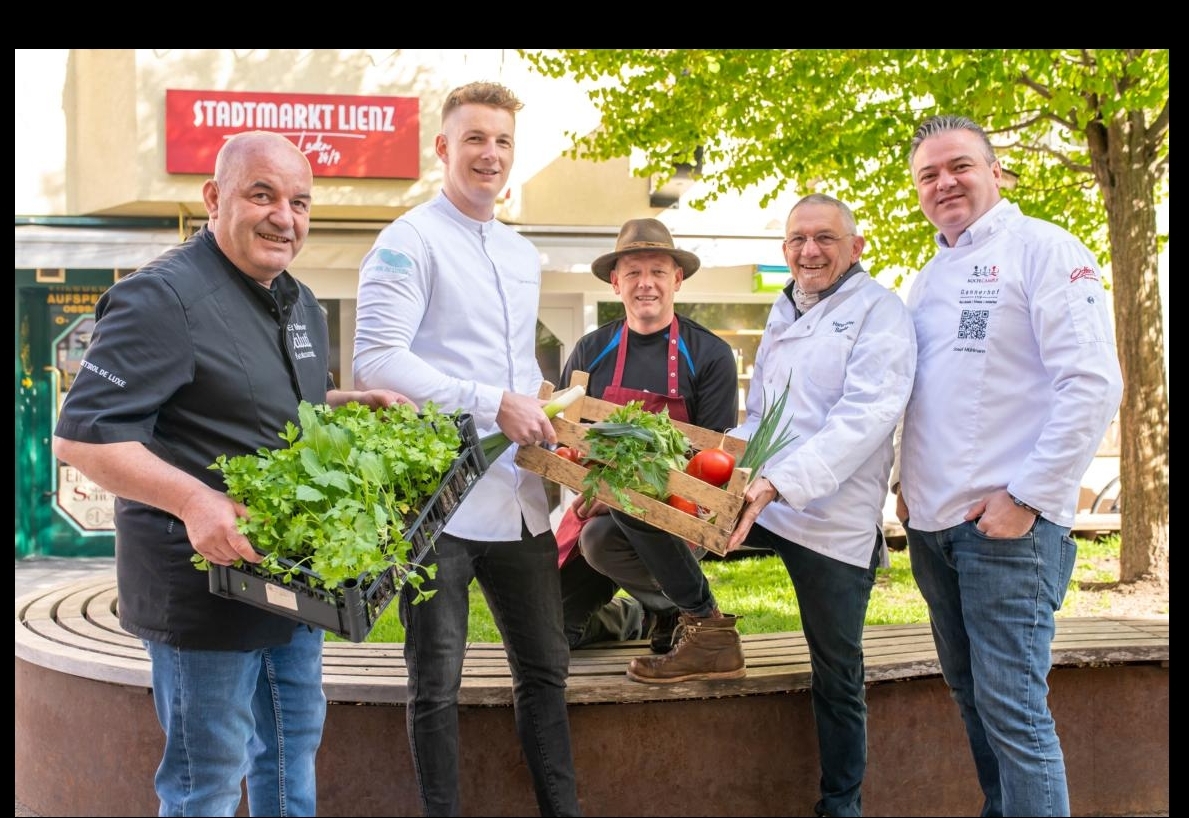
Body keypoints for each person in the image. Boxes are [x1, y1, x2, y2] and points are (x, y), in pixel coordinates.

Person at [51, 130, 414, 816]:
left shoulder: (299, 300)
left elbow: (272, 404)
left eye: (299, 202)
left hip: (295, 582)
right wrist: (194, 501)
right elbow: (85, 437)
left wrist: (346, 403)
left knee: (291, 754)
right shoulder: (161, 298)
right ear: (214, 199)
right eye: (262, 195)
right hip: (203, 595)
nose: (285, 217)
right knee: (207, 781)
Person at [352, 81, 582, 817]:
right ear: (443, 148)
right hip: (439, 502)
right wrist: (492, 401)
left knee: (546, 672)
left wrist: (539, 399)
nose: (490, 153)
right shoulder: (407, 241)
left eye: (503, 141)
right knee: (435, 683)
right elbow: (377, 360)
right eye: (475, 138)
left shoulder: (521, 252)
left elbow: (509, 363)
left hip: (521, 500)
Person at [896, 114, 1124, 817]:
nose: (944, 183)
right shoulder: (926, 278)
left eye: (959, 166)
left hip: (1005, 533)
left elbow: (1091, 383)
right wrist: (905, 483)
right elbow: (929, 392)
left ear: (997, 173)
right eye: (928, 175)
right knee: (973, 702)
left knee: (1014, 714)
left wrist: (1025, 497)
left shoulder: (1046, 250)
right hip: (934, 529)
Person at [725, 193, 917, 817]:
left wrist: (777, 482)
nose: (809, 251)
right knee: (634, 529)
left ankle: (841, 803)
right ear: (784, 250)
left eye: (825, 238)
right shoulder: (784, 307)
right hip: (765, 499)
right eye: (797, 240)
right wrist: (726, 467)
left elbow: (863, 419)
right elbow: (763, 415)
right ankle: (699, 624)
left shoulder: (881, 312)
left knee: (837, 672)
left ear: (855, 247)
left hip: (832, 520)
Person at [562, 217, 743, 682]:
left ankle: (689, 611)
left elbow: (711, 466)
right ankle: (644, 614)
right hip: (596, 507)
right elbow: (570, 443)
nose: (646, 283)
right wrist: (597, 488)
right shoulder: (590, 351)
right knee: (552, 632)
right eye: (634, 272)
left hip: (677, 518)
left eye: (658, 271)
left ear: (677, 279)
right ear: (615, 281)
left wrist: (620, 492)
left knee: (605, 532)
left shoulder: (710, 355)